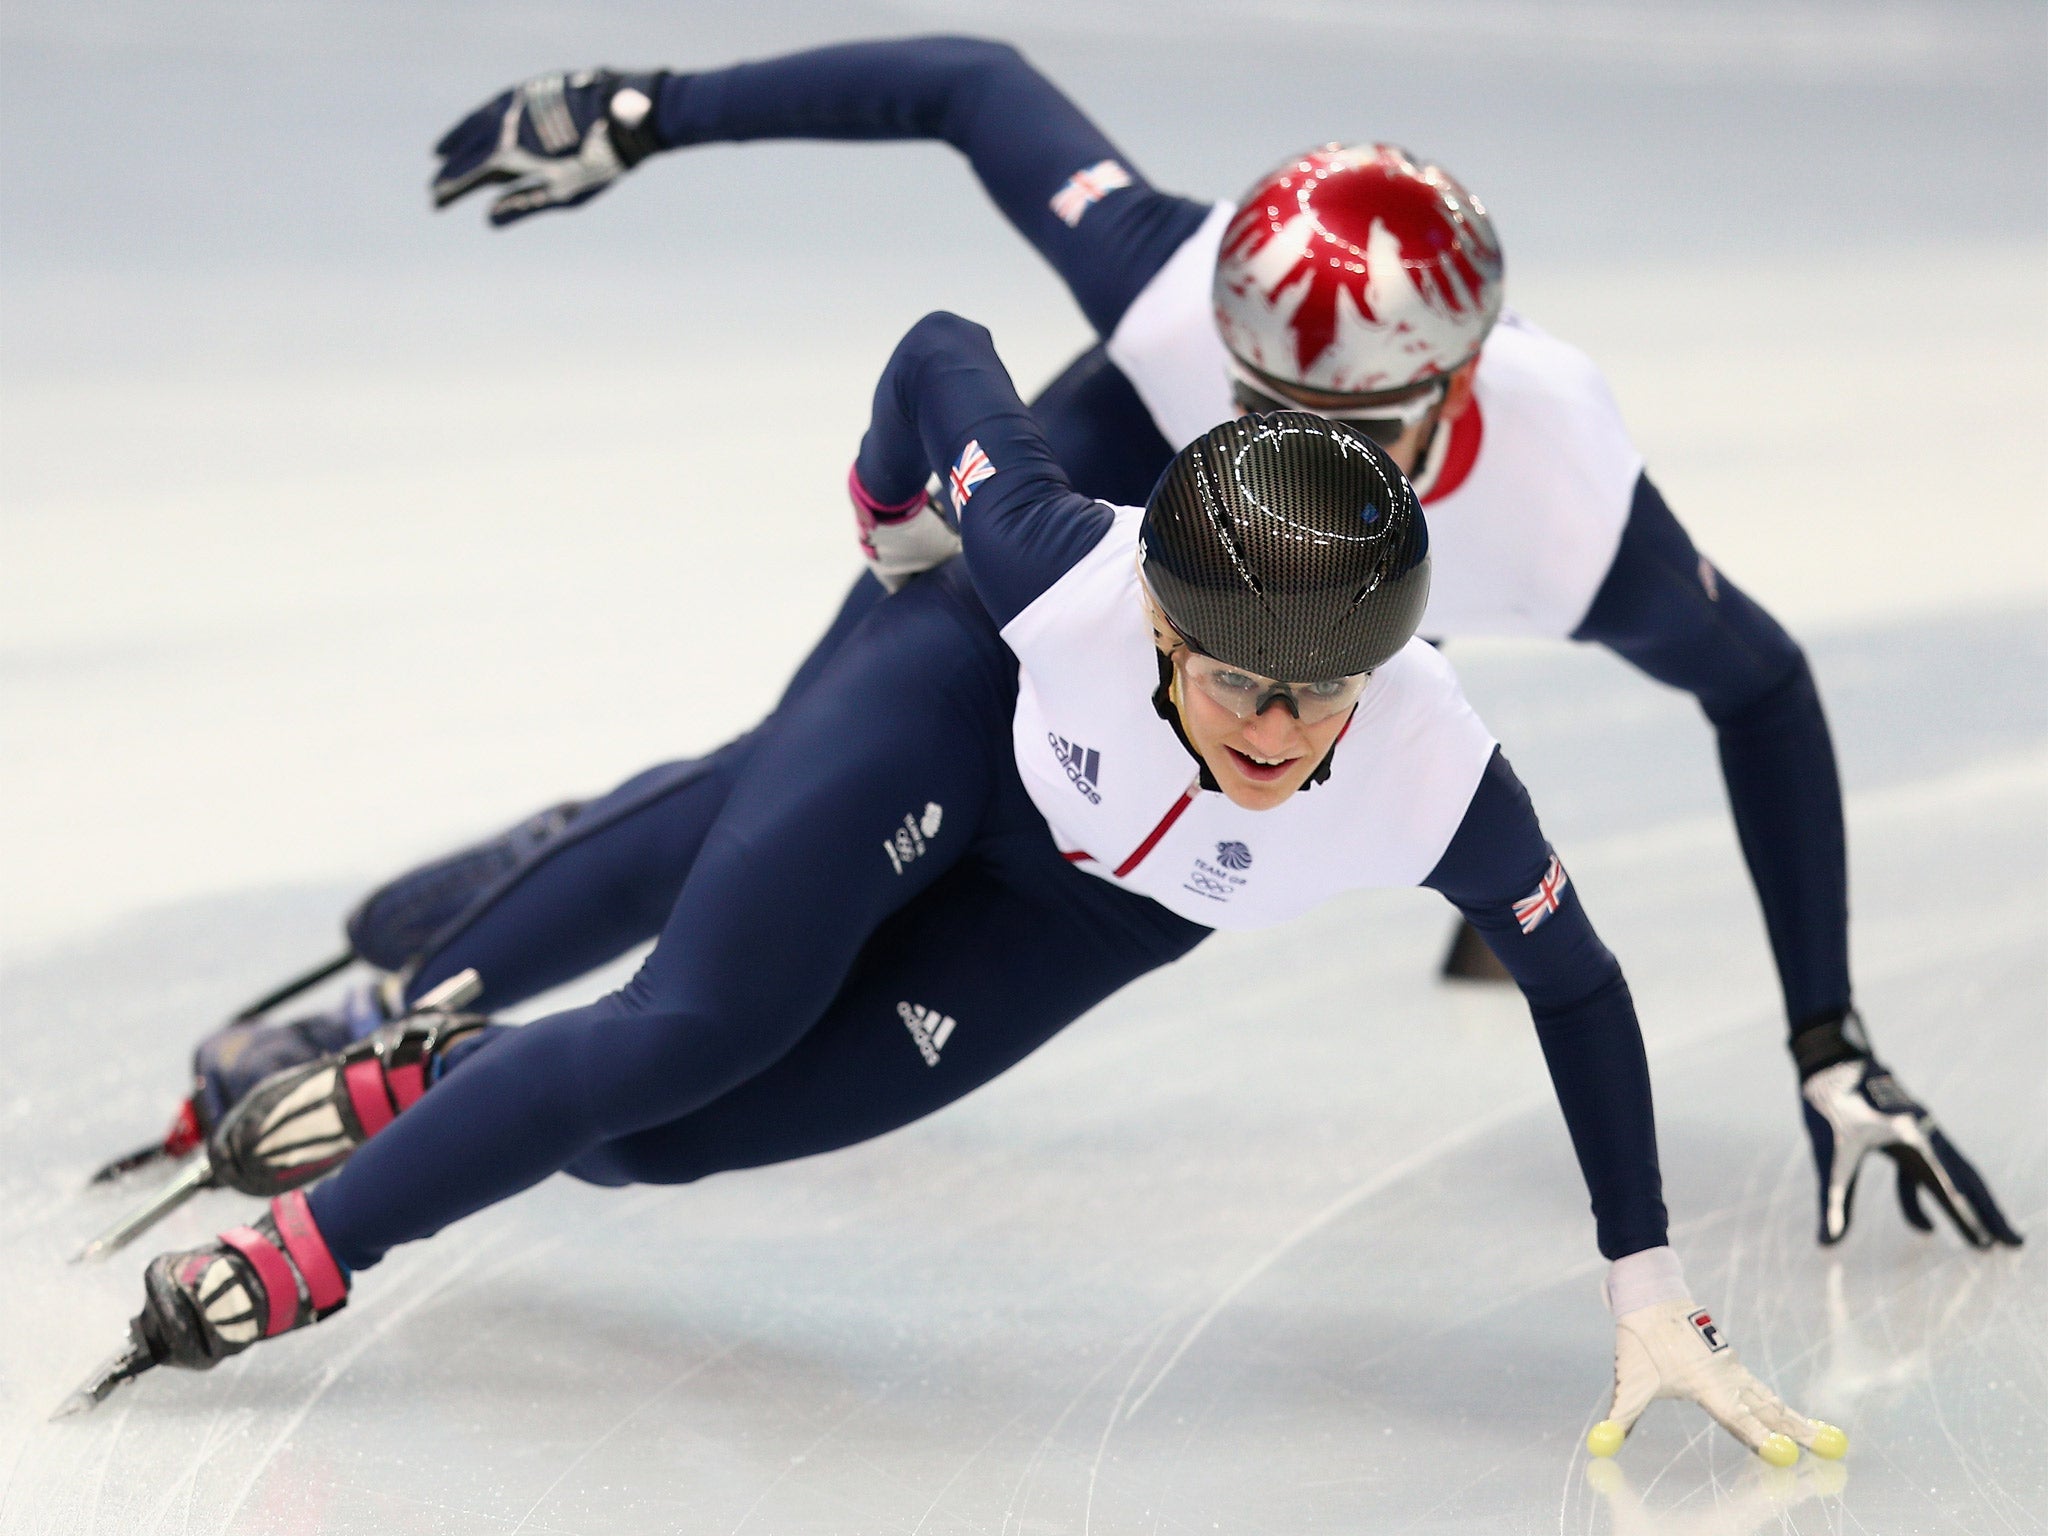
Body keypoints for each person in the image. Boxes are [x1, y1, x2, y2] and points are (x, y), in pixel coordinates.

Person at [102, 312, 1843, 1465]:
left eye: (1324, 695)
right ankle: (306, 1248)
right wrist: (887, 513)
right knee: (691, 1030)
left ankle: (435, 1083)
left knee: (671, 1142)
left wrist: (1644, 1286)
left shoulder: (1436, 768)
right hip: (949, 717)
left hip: (1094, 913)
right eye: (1242, 682)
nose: (1280, 732)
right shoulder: (1061, 566)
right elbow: (943, 349)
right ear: (1160, 620)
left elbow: (1582, 988)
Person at [418, 39, 2020, 1251]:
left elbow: (1764, 684)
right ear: (1227, 348)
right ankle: (418, 1007)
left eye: (1346, 425)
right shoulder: (1182, 298)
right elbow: (972, 86)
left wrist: (1829, 1035)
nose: (1291, 451)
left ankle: (489, 1026)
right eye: (1263, 405)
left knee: (689, 1100)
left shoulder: (1570, 507)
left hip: (1185, 762)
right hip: (1098, 517)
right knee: (779, 799)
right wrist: (650, 108)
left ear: (1460, 390)